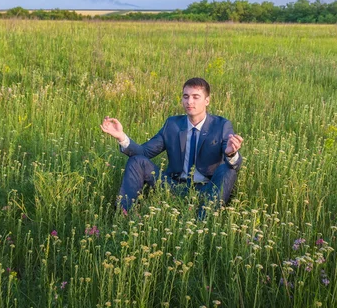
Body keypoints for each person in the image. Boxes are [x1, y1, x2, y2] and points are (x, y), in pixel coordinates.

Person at [100, 77, 243, 212]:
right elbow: (144, 153)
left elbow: (234, 163)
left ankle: (204, 220)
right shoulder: (172, 124)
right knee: (137, 161)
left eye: (195, 97)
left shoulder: (221, 125)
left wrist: (231, 153)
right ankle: (125, 214)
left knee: (228, 169)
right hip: (173, 187)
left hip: (206, 189)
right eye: (185, 96)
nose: (189, 102)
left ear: (207, 100)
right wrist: (121, 137)